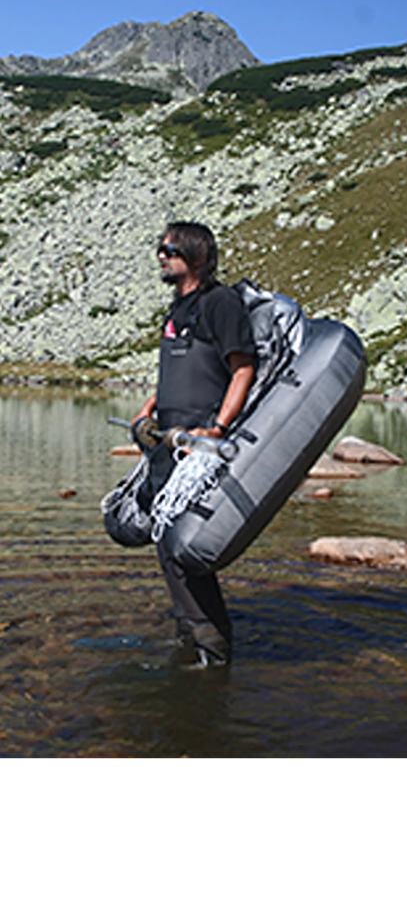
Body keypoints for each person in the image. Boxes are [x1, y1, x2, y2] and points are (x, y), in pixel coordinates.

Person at [130, 222, 256, 667]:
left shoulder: (219, 303)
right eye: (159, 248)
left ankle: (214, 648)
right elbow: (169, 374)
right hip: (167, 439)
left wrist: (218, 428)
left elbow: (242, 368)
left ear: (197, 256)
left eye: (169, 249)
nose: (161, 256)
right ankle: (189, 635)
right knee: (165, 540)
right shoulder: (177, 307)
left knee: (185, 545)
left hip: (199, 443)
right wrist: (148, 411)